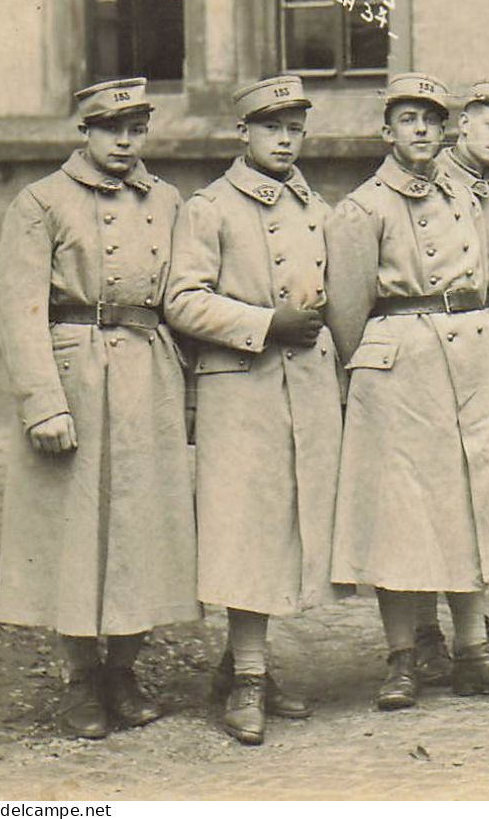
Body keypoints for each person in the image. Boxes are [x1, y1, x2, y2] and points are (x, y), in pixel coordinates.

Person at [326, 73, 489, 710]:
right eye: (407, 119)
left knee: (471, 502)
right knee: (402, 514)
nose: (421, 129)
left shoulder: (468, 198)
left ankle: (473, 649)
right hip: (400, 369)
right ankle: (404, 657)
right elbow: (347, 314)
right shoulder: (363, 208)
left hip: (471, 355)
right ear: (386, 131)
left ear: (445, 130)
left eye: (431, 119)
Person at [0, 77, 196, 739]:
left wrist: (190, 392)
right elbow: (17, 308)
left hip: (147, 370)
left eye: (136, 128)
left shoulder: (165, 200)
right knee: (74, 528)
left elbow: (182, 298)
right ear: (86, 131)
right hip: (74, 369)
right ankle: (80, 677)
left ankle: (124, 672)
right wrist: (42, 401)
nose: (125, 141)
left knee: (141, 522)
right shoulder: (41, 201)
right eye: (112, 129)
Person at [165, 75, 341, 744]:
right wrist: (265, 322)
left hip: (306, 389)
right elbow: (181, 299)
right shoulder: (209, 208)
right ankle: (247, 680)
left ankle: (244, 667)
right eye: (272, 128)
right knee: (247, 529)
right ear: (245, 133)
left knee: (285, 530)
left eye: (295, 128)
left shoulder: (313, 207)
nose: (285, 140)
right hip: (241, 386)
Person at [413, 80, 489, 684]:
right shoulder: (431, 182)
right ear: (461, 124)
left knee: (474, 495)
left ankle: (471, 629)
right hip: (431, 346)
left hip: (484, 339)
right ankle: (425, 635)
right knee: (429, 496)